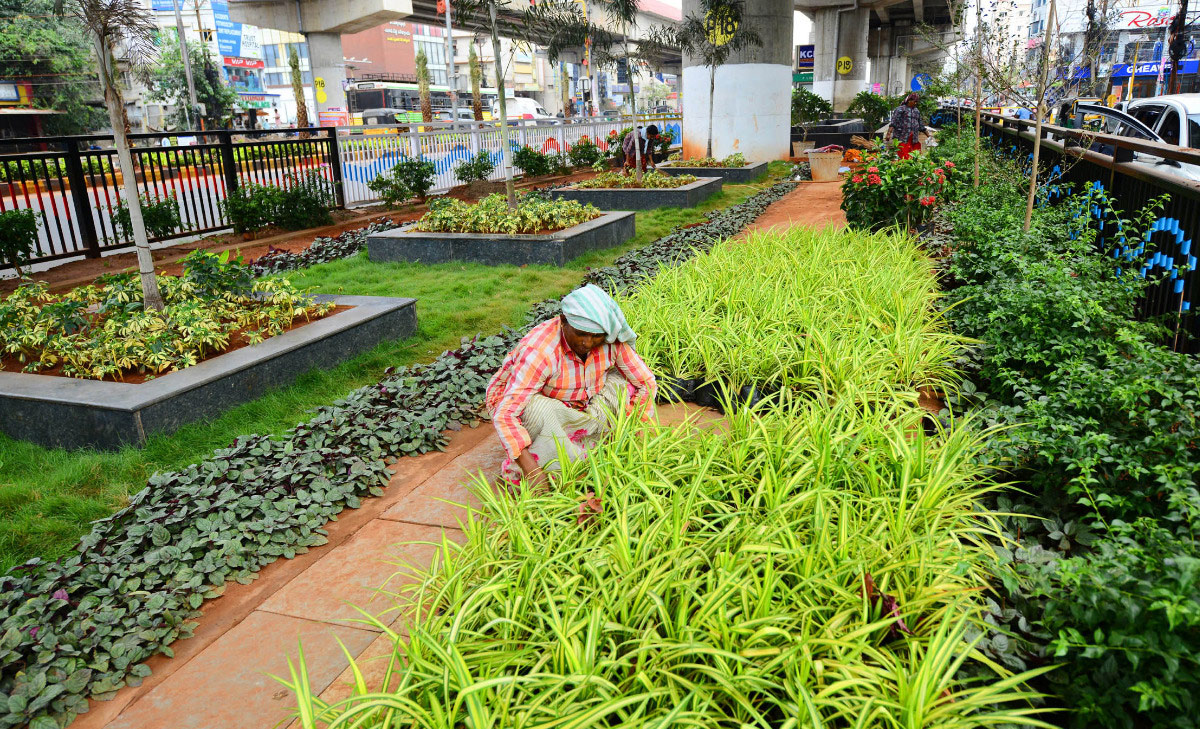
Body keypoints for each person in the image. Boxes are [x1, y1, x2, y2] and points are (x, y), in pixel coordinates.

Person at [486, 284, 658, 488]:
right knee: (539, 410)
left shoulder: (611, 340)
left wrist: (635, 424)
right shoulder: (540, 352)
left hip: (583, 399)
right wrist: (532, 472)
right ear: (564, 321)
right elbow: (506, 414)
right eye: (581, 333)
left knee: (624, 387)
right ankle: (541, 458)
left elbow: (646, 382)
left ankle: (581, 444)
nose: (587, 343)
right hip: (541, 403)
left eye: (596, 336)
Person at [885, 93, 925, 159]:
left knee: (915, 156)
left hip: (913, 138)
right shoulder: (900, 109)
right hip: (902, 137)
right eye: (914, 101)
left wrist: (929, 136)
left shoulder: (916, 111)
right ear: (909, 100)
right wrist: (888, 134)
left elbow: (921, 125)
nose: (915, 103)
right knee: (904, 157)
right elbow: (893, 122)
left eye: (916, 102)